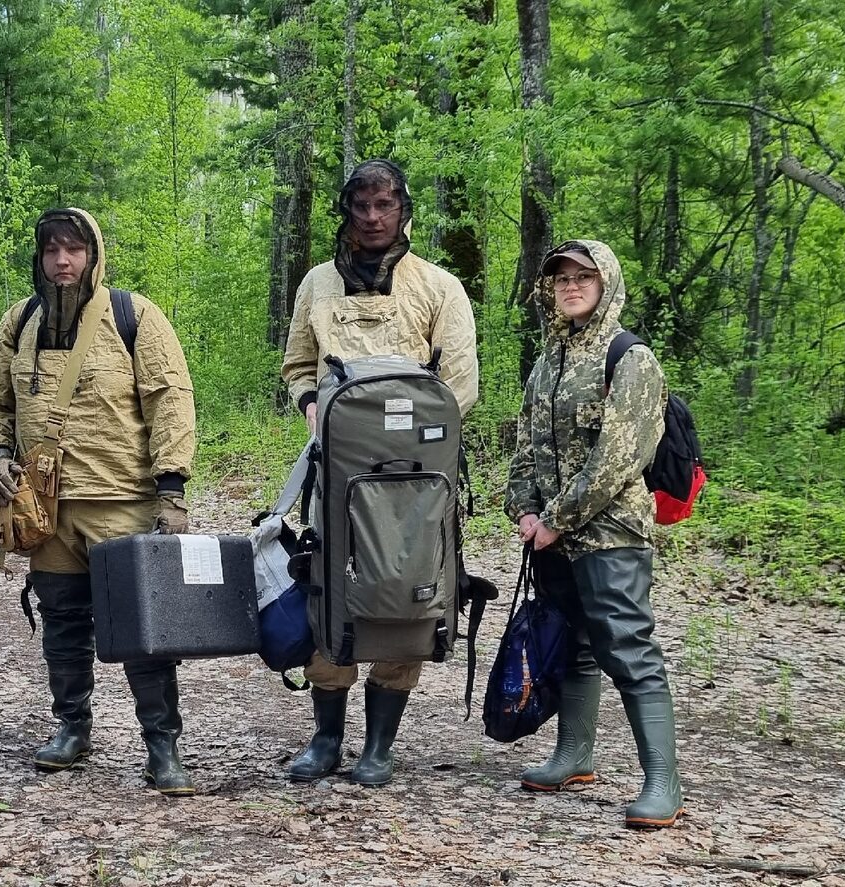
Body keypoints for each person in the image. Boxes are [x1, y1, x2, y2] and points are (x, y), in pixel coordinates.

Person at [0, 208, 200, 796]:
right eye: (51, 250)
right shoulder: (20, 320)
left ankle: (162, 746)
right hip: (45, 509)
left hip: (122, 501)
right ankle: (72, 727)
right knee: (62, 620)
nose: (62, 261)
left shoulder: (135, 316)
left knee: (143, 628)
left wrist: (172, 490)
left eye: (73, 249)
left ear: (93, 255)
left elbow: (170, 399)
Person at [278, 159, 479, 786]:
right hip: (335, 473)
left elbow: (459, 386)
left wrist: (403, 435)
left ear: (403, 209)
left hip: (416, 477)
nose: (372, 217)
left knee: (405, 587)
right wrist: (311, 406)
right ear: (346, 212)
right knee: (326, 582)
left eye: (384, 204)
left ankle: (380, 744)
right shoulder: (317, 284)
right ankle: (325, 738)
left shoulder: (439, 287)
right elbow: (297, 366)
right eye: (361, 206)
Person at [505, 240, 682, 829]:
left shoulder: (630, 358)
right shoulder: (548, 360)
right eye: (562, 278)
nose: (572, 286)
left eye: (585, 276)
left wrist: (557, 518)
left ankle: (662, 783)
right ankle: (574, 756)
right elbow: (527, 444)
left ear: (606, 283)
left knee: (628, 649)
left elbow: (618, 458)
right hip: (551, 536)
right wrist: (525, 510)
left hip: (611, 533)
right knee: (575, 646)